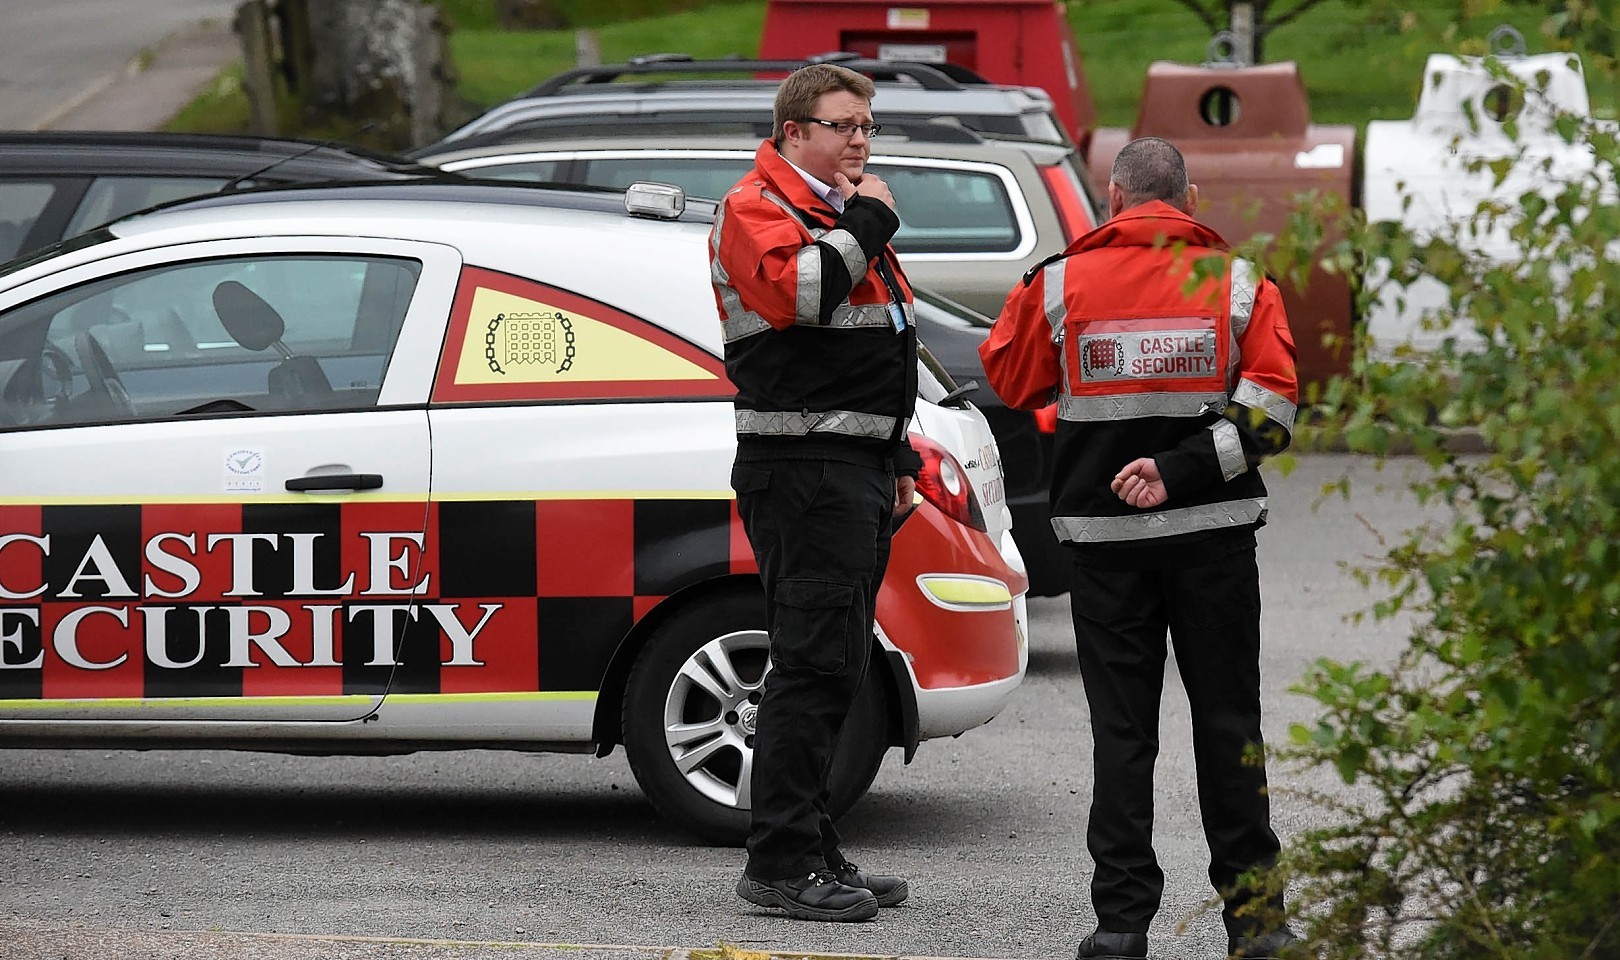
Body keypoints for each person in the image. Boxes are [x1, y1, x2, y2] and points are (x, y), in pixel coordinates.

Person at [978, 137, 1302, 959]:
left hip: (1103, 550)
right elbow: (1273, 413)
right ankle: (1257, 926)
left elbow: (1012, 381)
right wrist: (1184, 468)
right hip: (1213, 545)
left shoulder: (1058, 283)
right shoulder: (1237, 283)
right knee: (1231, 725)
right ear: (1189, 201)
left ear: (1113, 200)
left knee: (1123, 737)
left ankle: (1121, 926)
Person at [708, 62, 918, 923]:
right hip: (802, 473)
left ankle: (813, 844)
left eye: (866, 125)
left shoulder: (836, 215)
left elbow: (881, 344)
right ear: (795, 132)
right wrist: (870, 217)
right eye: (843, 125)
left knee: (835, 666)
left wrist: (896, 459)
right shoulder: (756, 206)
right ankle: (781, 862)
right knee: (810, 664)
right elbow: (799, 294)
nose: (859, 140)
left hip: (853, 469)